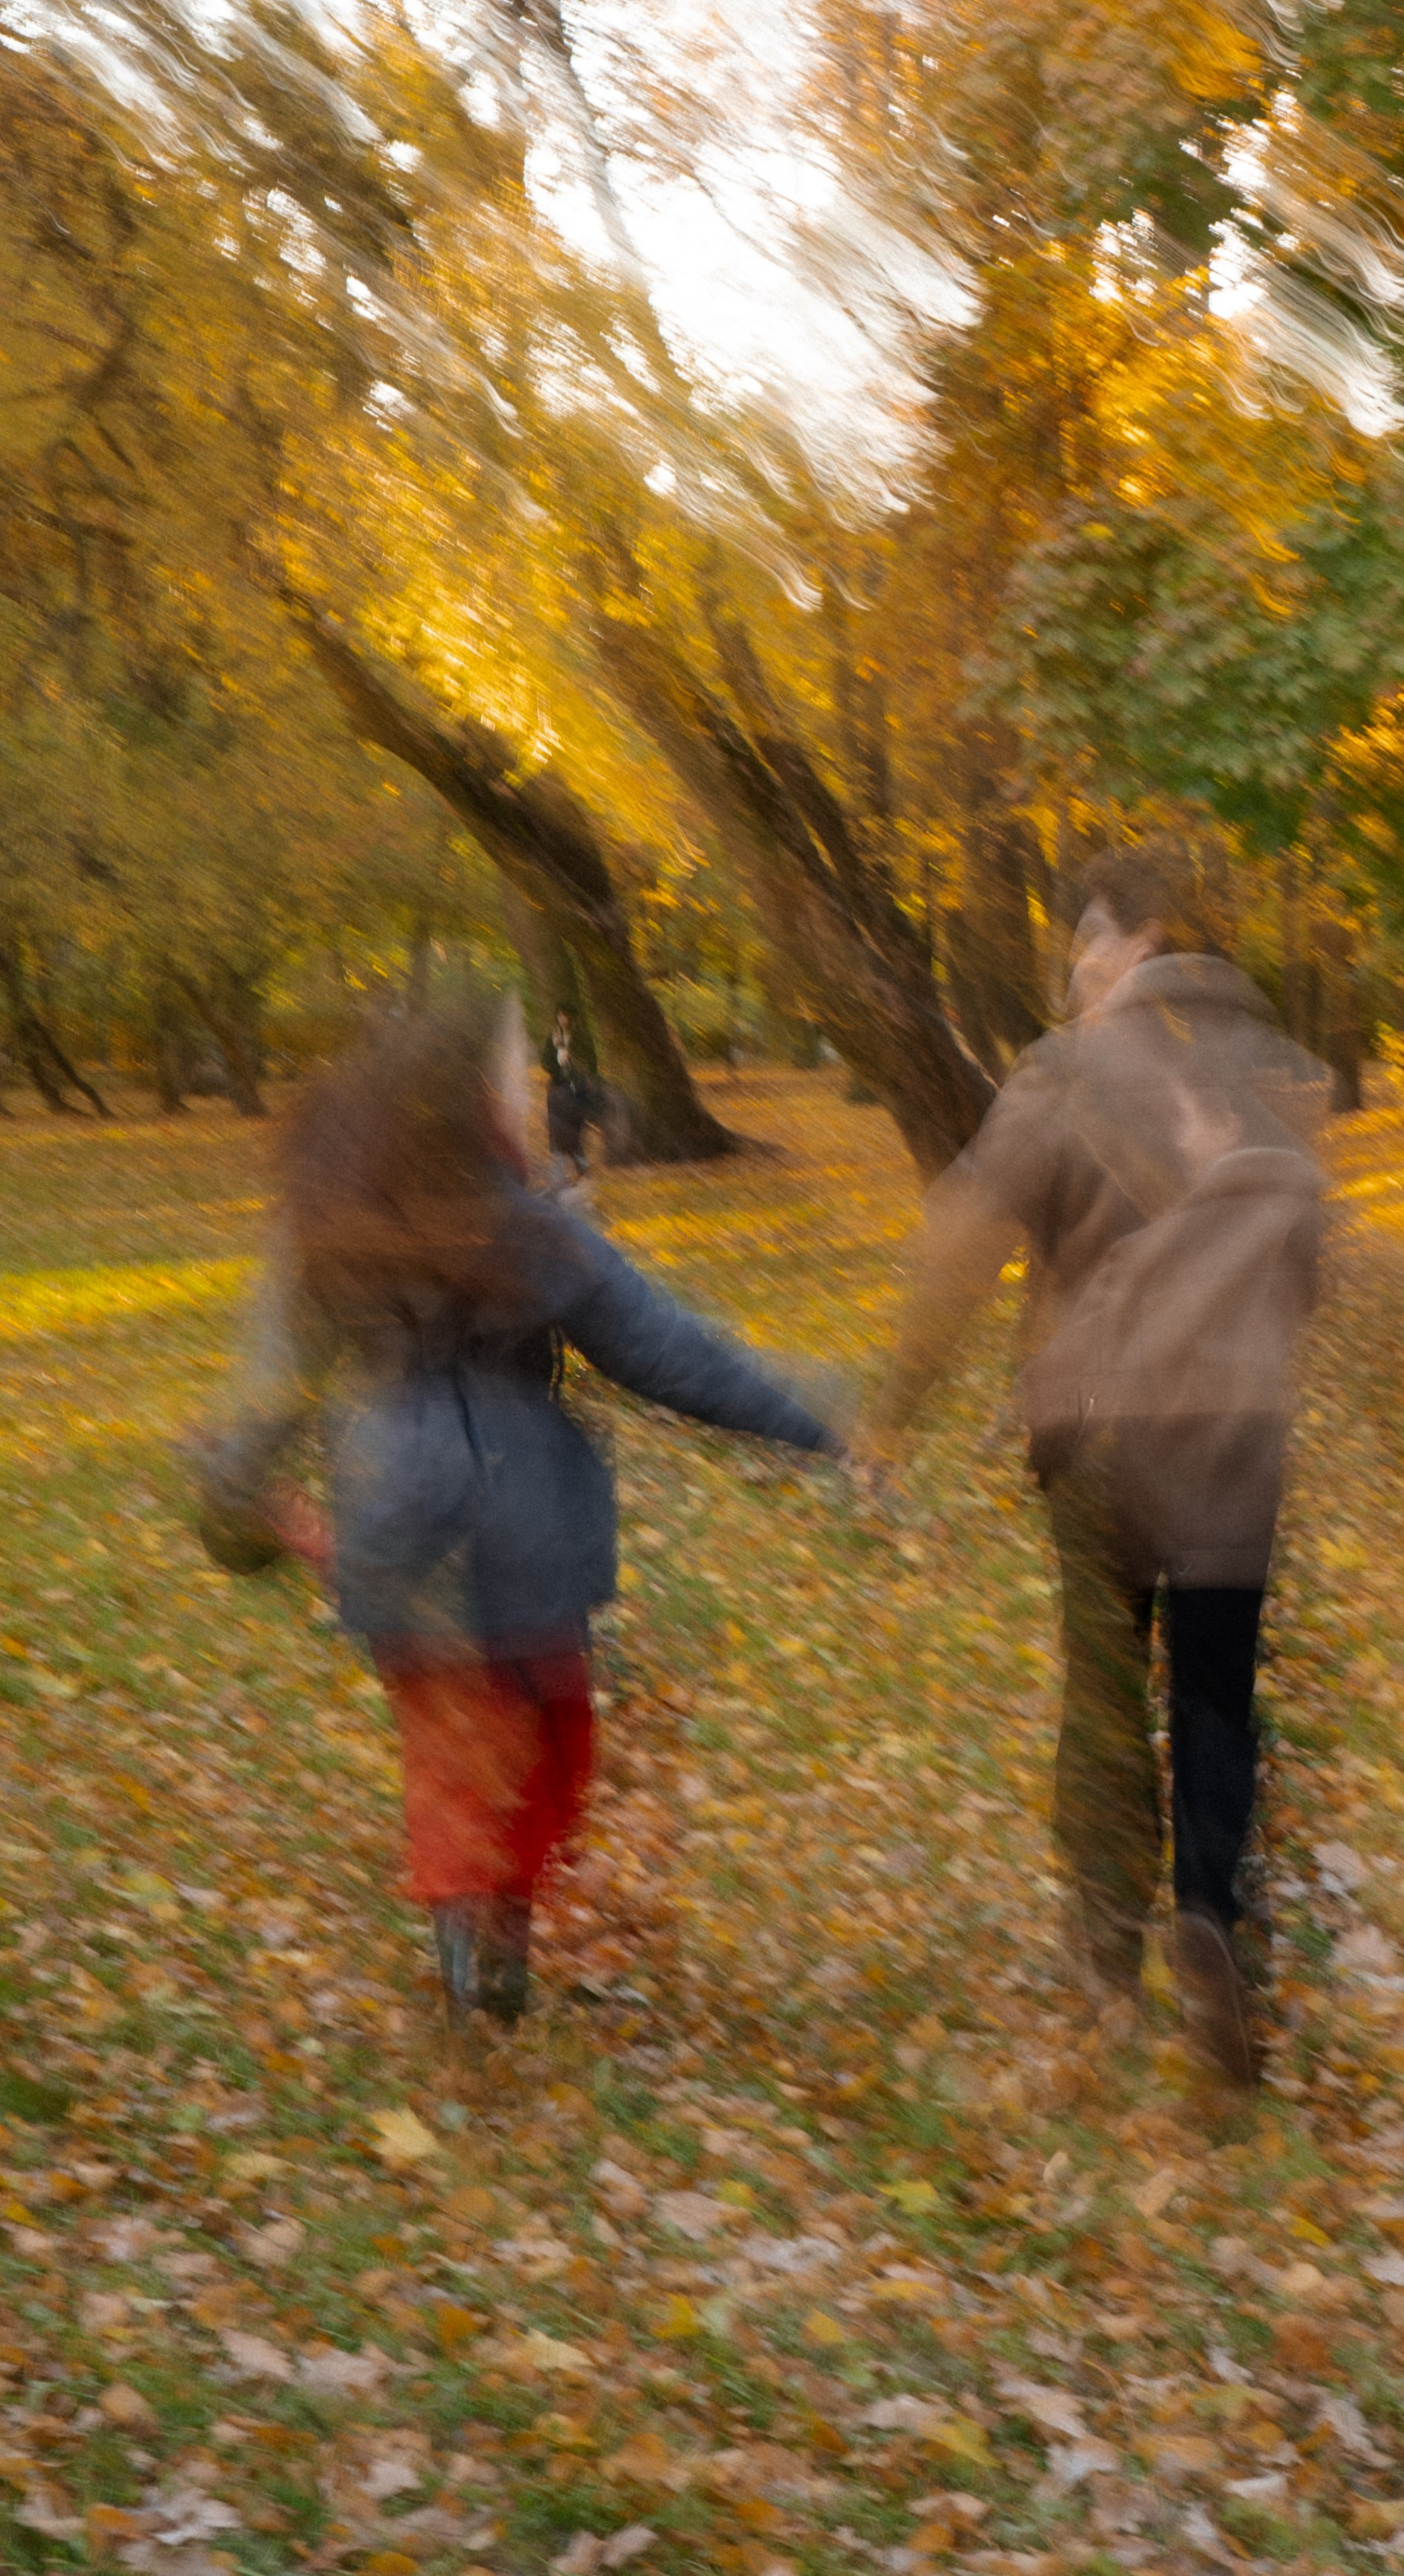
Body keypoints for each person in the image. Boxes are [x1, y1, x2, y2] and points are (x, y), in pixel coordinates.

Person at [195, 997, 841, 2027]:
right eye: (509, 1073)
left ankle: (481, 1949)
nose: (526, 1093)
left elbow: (273, 1389)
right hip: (527, 1529)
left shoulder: (331, 1225)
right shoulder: (533, 1231)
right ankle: (486, 1963)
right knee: (541, 1742)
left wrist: (232, 1488)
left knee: (458, 1750)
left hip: (399, 1522)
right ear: (464, 1100)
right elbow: (670, 1353)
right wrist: (822, 1420)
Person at [860, 845, 1321, 2089]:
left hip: (1104, 1433)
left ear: (1138, 941)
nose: (1073, 969)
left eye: (1086, 942)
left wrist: (894, 1410)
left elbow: (964, 1239)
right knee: (1219, 1699)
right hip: (1237, 1435)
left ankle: (1107, 1970)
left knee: (1105, 1699)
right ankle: (1215, 1927)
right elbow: (1303, 1263)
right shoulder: (1259, 1069)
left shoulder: (1065, 1075)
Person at [541, 1008, 597, 1188]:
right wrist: (556, 1063)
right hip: (557, 1090)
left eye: (566, 1016)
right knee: (557, 1131)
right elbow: (546, 1062)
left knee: (574, 1132)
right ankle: (558, 1176)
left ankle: (582, 1168)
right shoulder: (553, 1037)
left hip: (577, 1091)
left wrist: (570, 1057)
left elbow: (591, 1065)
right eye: (560, 1015)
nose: (563, 1019)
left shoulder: (582, 1039)